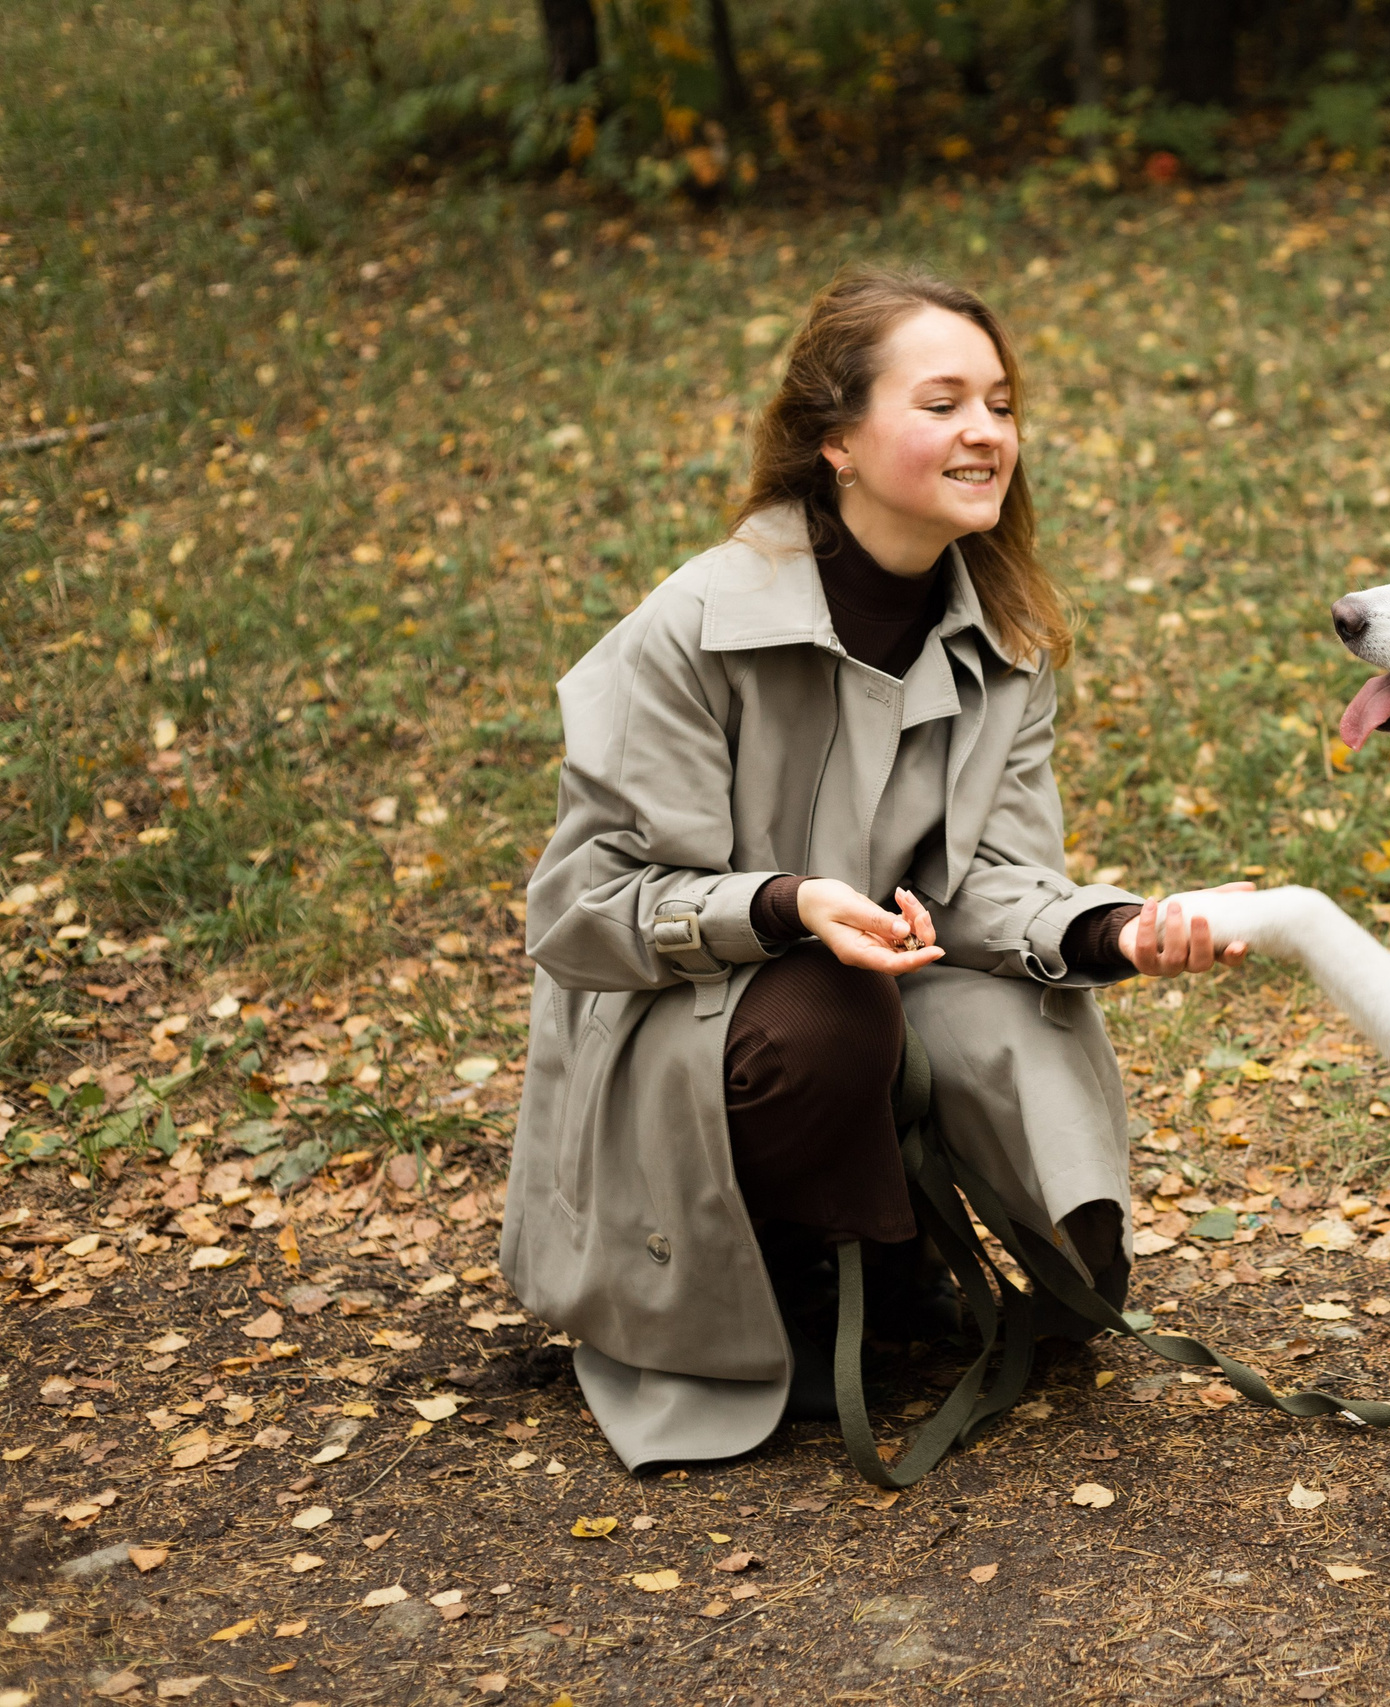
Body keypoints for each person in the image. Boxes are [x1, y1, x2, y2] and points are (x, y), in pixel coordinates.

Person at [499, 265, 1242, 1471]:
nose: (986, 432)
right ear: (836, 442)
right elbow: (580, 910)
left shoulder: (1006, 638)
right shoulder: (692, 626)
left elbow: (989, 880)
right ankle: (791, 1278)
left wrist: (1114, 931)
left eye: (1001, 404)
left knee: (1018, 1011)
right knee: (828, 1008)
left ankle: (899, 1259)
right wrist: (787, 904)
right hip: (677, 1015)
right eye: (942, 404)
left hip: (884, 984)